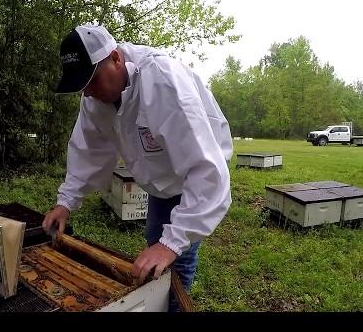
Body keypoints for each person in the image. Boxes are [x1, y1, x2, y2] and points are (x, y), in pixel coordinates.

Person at [42, 23, 233, 311]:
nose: (89, 92)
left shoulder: (164, 83)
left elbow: (206, 170)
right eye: (82, 86)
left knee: (176, 260)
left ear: (116, 58)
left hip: (192, 179)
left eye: (91, 80)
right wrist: (65, 203)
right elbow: (88, 150)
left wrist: (171, 244)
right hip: (159, 182)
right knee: (155, 241)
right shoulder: (94, 96)